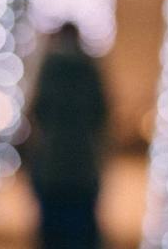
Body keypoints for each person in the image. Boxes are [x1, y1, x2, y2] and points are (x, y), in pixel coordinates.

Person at [26, 22, 108, 249]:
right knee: (81, 229)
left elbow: (37, 110)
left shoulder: (49, 68)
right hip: (83, 163)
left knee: (53, 230)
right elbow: (101, 112)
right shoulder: (89, 67)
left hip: (53, 163)